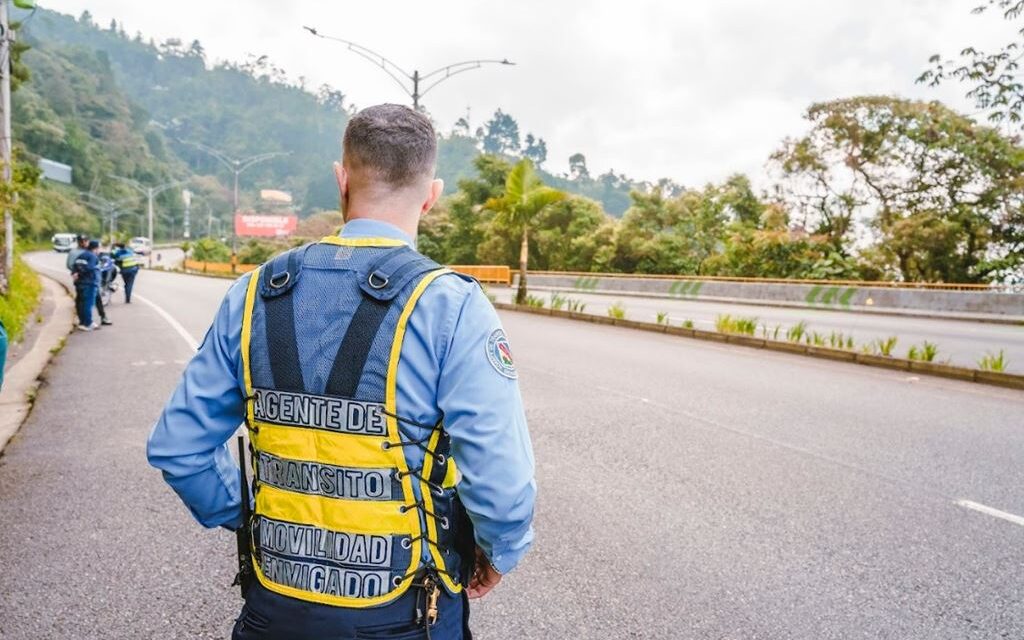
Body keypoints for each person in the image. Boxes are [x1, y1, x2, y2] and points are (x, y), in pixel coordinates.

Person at [148, 104, 536, 640]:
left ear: (342, 178)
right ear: (432, 193)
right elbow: (501, 477)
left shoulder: (255, 292)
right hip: (405, 610)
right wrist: (500, 551)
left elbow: (178, 447)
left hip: (274, 605)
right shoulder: (452, 305)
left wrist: (251, 518)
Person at [72, 240, 101, 331]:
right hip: (89, 283)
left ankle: (82, 322)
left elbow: (74, 266)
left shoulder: (81, 255)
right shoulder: (93, 256)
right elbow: (90, 268)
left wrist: (75, 274)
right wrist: (80, 274)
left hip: (79, 283)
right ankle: (87, 323)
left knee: (81, 303)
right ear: (95, 248)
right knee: (88, 303)